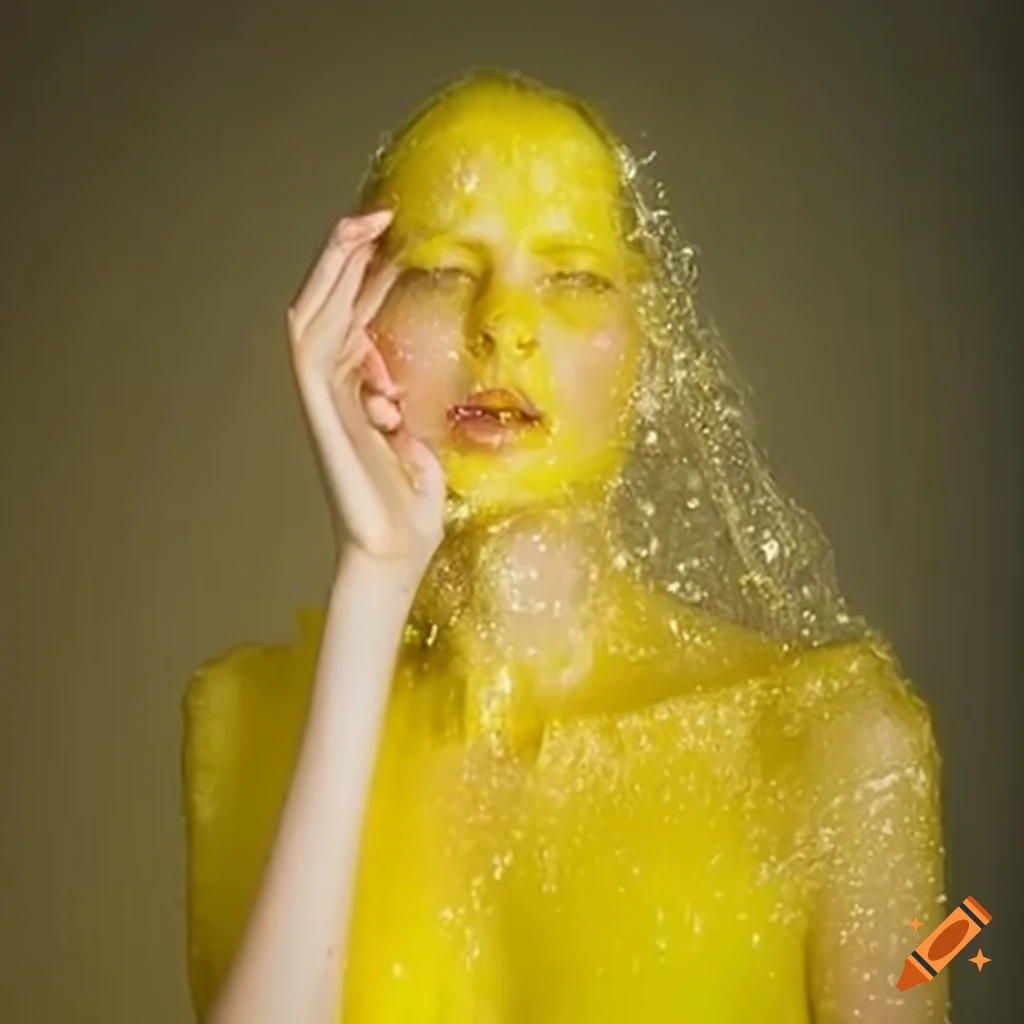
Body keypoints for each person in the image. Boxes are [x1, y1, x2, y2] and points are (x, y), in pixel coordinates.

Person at [182, 70, 948, 1023]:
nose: (501, 325)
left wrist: (947, 941)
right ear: (356, 323)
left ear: (647, 331)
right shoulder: (245, 723)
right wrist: (375, 581)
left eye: (574, 275)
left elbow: (934, 960)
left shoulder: (835, 738)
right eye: (444, 272)